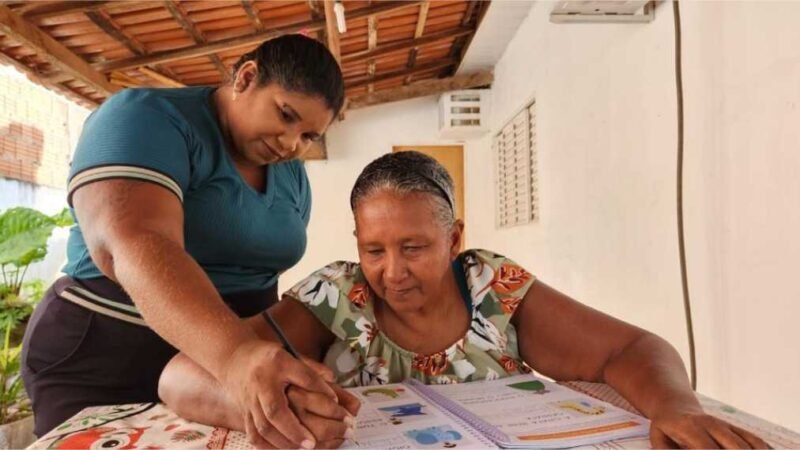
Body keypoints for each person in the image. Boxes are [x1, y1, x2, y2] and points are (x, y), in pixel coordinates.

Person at [160, 151, 770, 449]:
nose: (391, 272)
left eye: (415, 247)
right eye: (374, 250)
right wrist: (268, 409)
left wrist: (675, 407)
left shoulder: (493, 291)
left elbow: (631, 348)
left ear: (455, 238)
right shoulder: (336, 295)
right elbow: (180, 377)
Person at [21, 34, 352, 448]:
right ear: (247, 78)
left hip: (211, 374)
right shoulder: (145, 117)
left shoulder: (291, 176)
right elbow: (133, 242)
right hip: (106, 357)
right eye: (285, 115)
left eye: (308, 136)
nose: (290, 144)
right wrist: (236, 356)